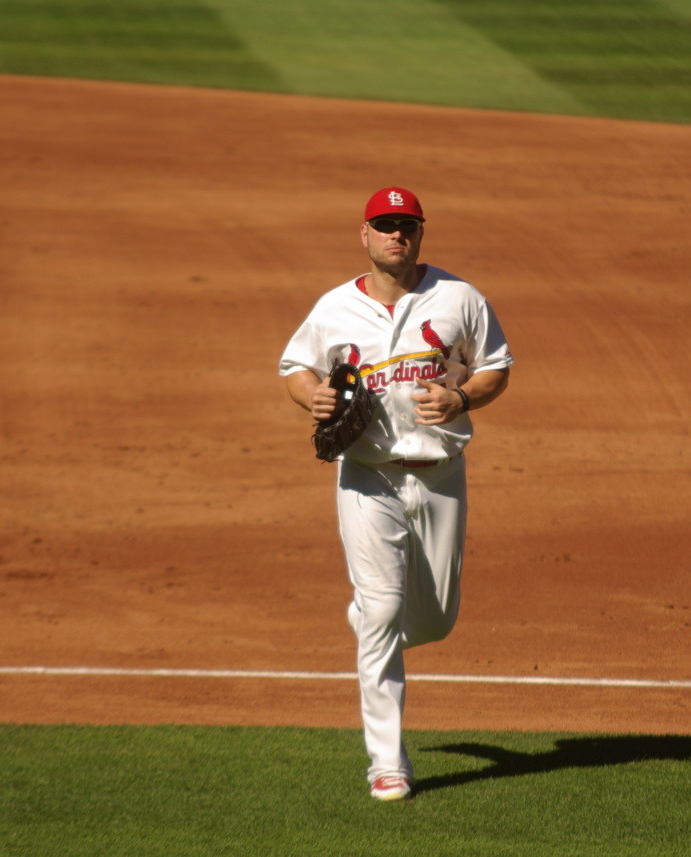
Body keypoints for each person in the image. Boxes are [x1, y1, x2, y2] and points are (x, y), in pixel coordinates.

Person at [279, 187, 514, 801]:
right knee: (383, 610)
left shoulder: (459, 298)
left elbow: (496, 365)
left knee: (435, 619)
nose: (396, 235)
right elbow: (295, 368)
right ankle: (388, 762)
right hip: (367, 477)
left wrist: (461, 398)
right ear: (365, 234)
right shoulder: (333, 308)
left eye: (406, 225)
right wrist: (315, 397)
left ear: (419, 233)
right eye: (384, 225)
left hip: (440, 473)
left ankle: (371, 622)